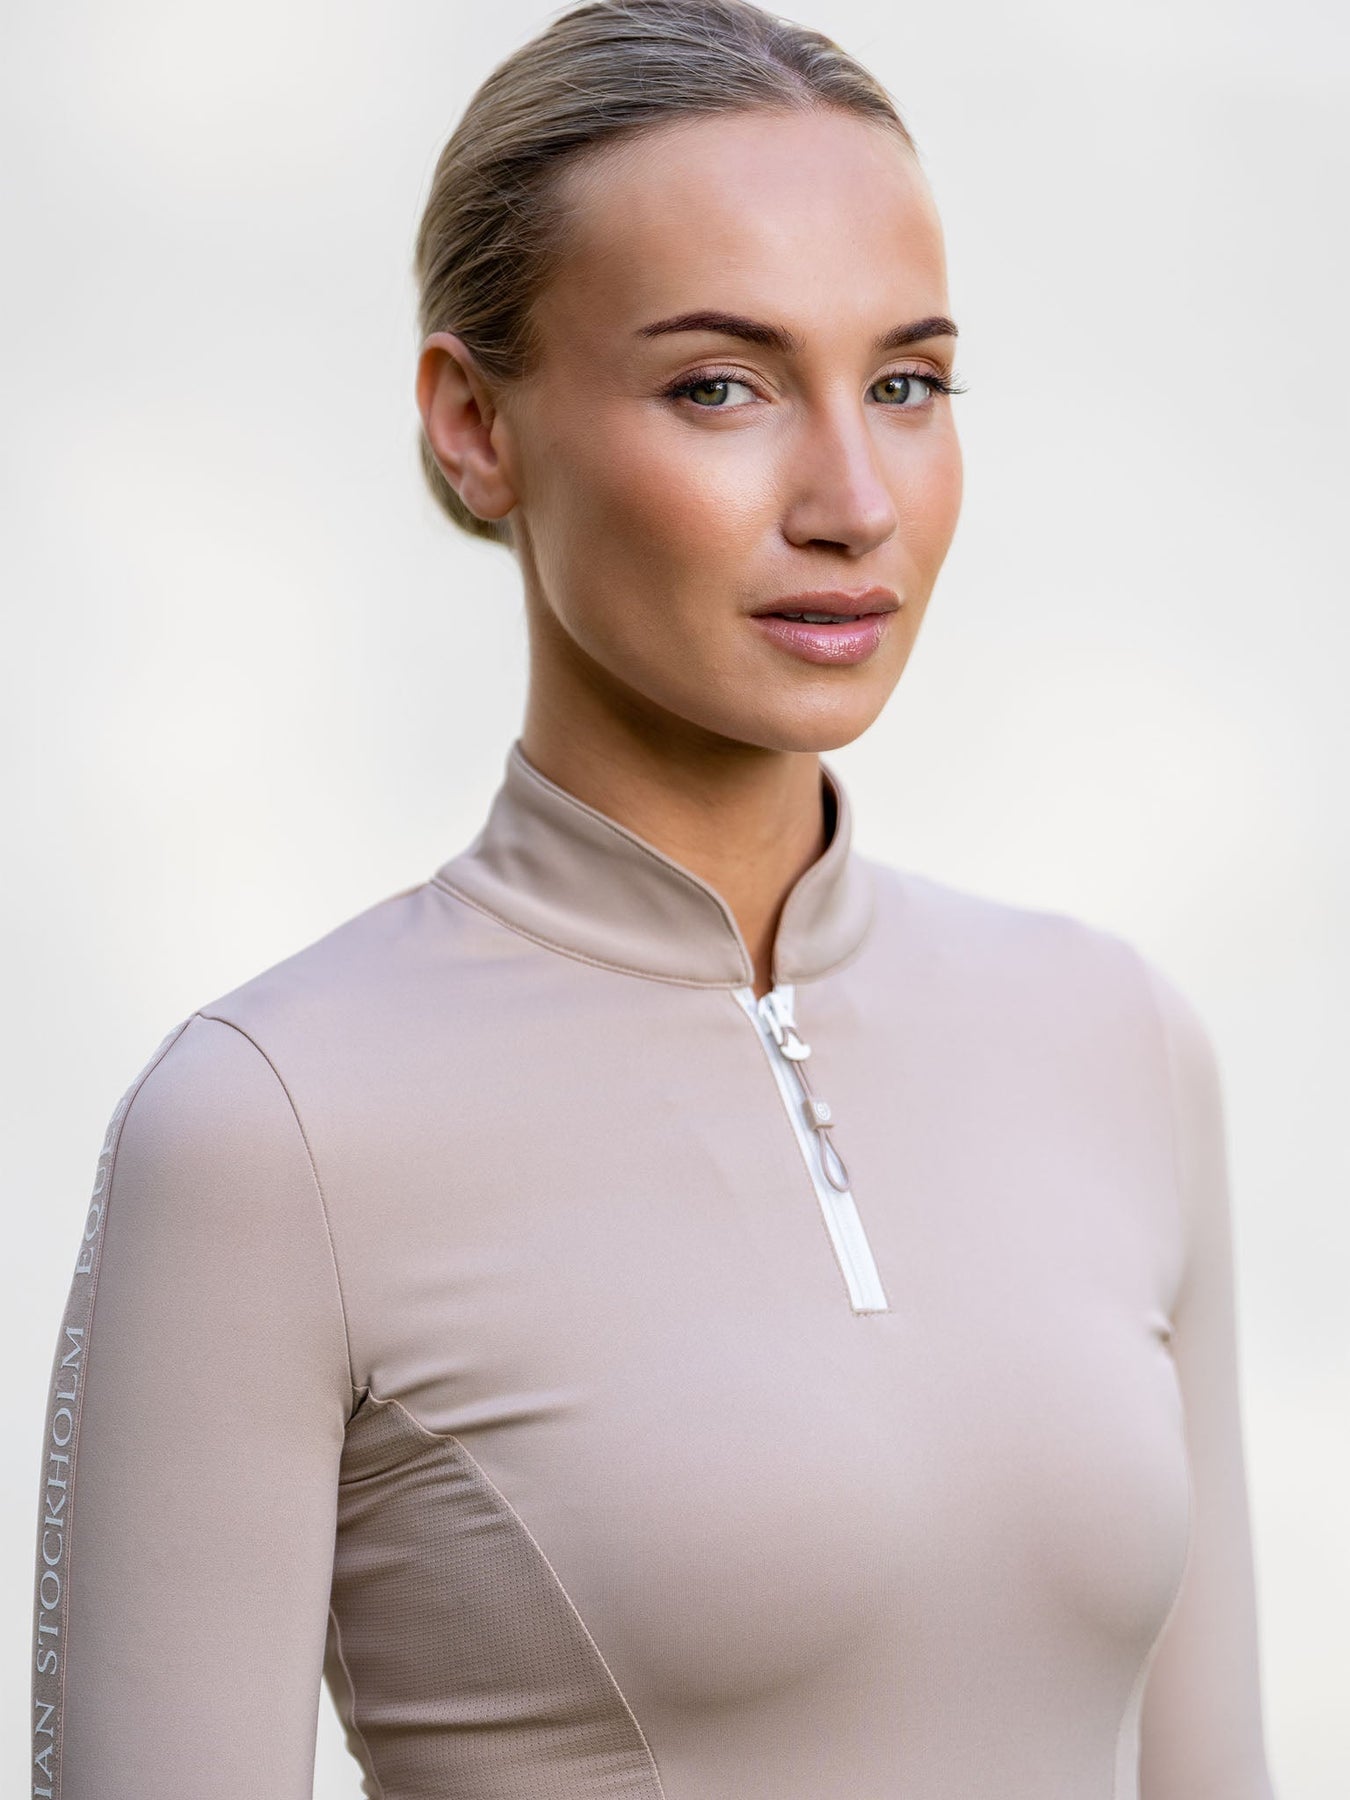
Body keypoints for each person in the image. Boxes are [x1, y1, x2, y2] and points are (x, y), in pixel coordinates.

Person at [30, 1, 1278, 1795]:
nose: (852, 501)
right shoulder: (269, 1127)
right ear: (473, 424)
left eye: (905, 384)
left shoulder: (1117, 1043)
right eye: (720, 386)